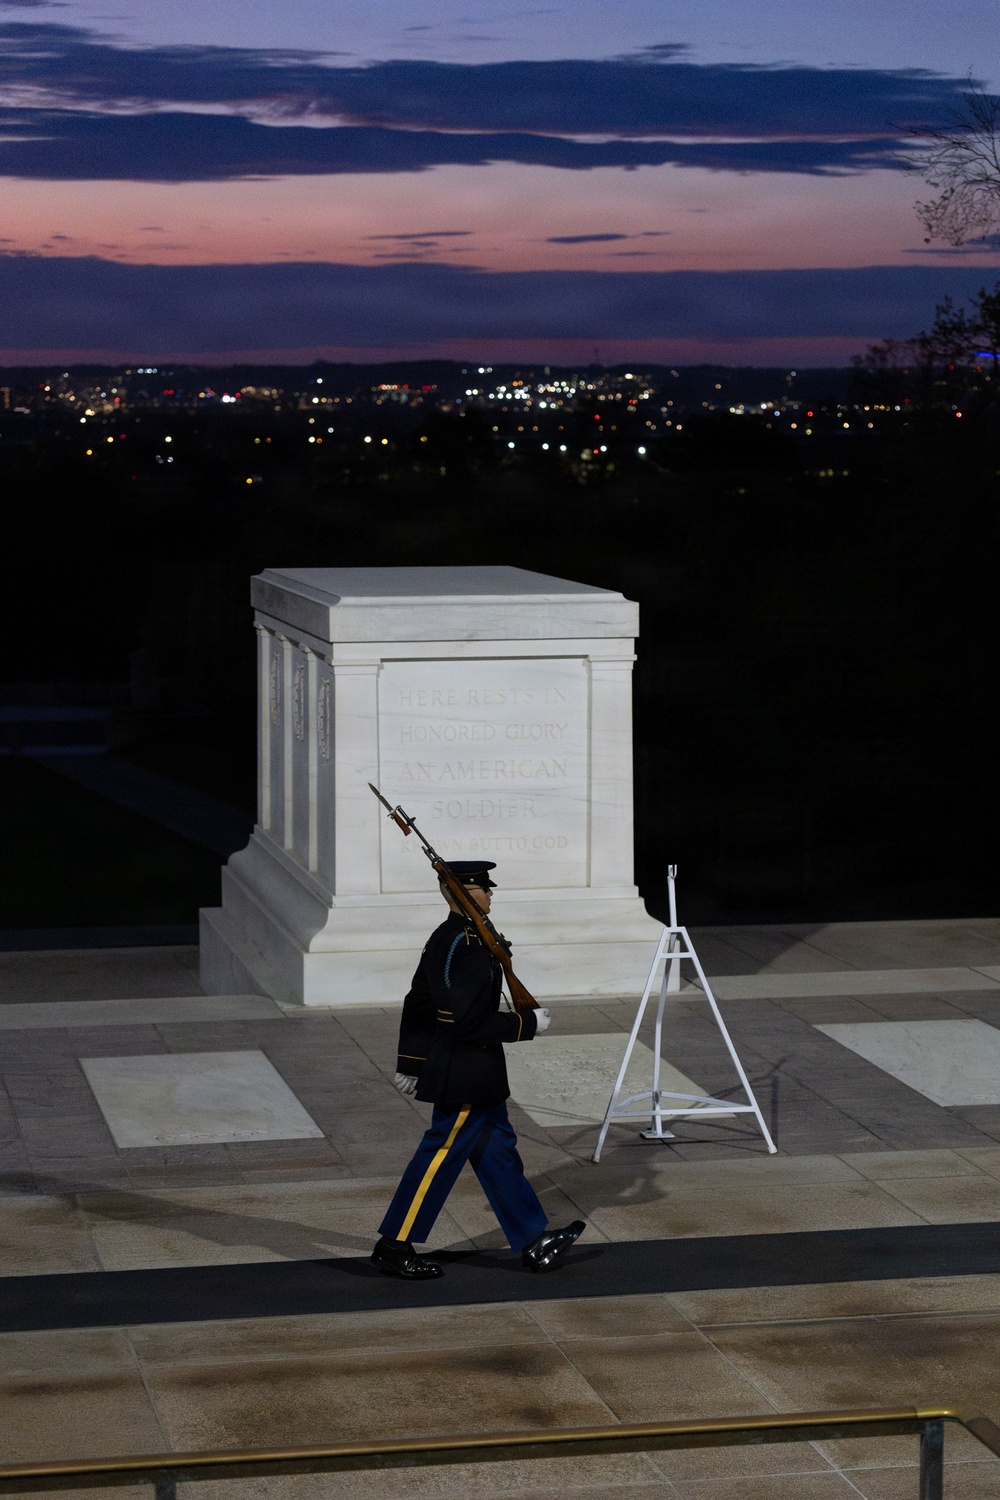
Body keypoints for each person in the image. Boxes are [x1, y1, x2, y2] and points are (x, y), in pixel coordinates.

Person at [371, 859, 585, 1279]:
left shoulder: (450, 937)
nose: (491, 894)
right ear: (467, 895)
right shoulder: (466, 946)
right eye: (484, 889)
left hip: (475, 1069)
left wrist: (412, 1062)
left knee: (497, 1151)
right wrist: (526, 1024)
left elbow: (418, 1000)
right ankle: (394, 1244)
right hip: (464, 1070)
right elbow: (468, 1021)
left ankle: (533, 1238)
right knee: (440, 1155)